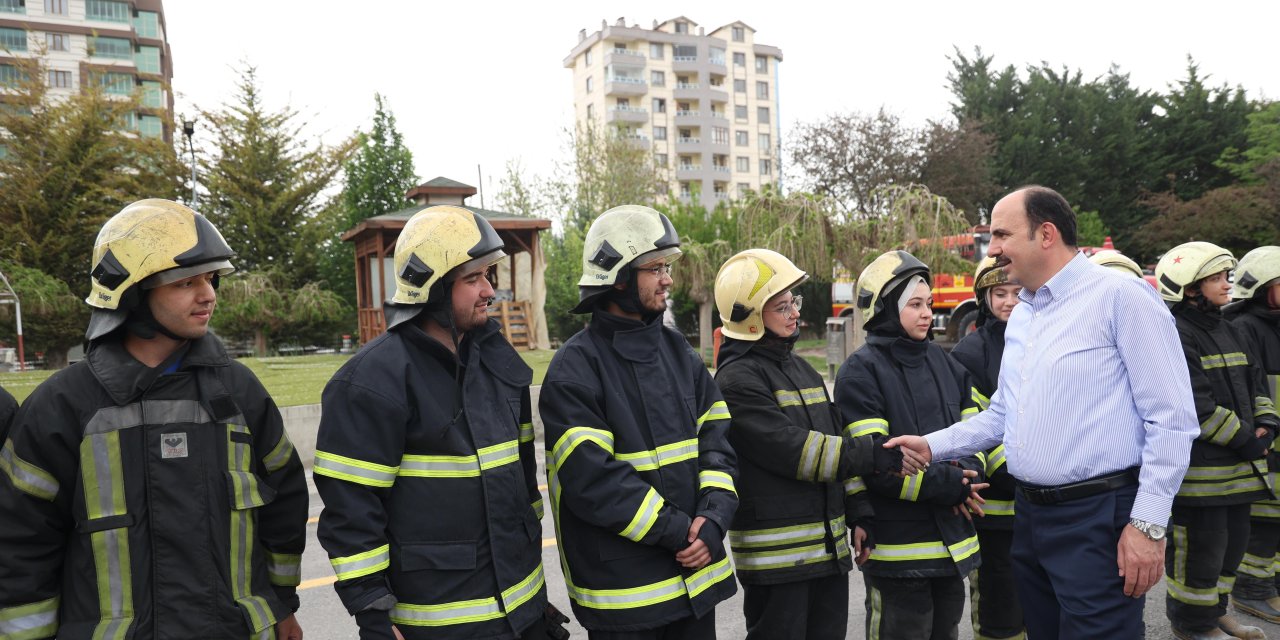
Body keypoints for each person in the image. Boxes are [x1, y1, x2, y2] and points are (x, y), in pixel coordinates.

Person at [887, 185, 1200, 639]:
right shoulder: (1027, 315)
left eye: (1001, 235)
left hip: (1098, 516)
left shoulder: (1122, 297)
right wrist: (932, 446)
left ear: (1046, 234)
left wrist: (1147, 527)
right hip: (1031, 518)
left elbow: (1172, 419)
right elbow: (1003, 414)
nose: (991, 249)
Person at [0, 199, 308, 639]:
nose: (208, 294)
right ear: (130, 293)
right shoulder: (63, 406)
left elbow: (284, 505)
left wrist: (282, 605)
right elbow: (20, 546)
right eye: (185, 282)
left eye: (210, 278)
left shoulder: (238, 392)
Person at [313, 206, 560, 640]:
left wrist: (532, 607)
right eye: (472, 279)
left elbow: (522, 488)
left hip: (521, 615)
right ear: (430, 287)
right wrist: (374, 613)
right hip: (439, 624)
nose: (489, 291)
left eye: (489, 276)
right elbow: (352, 512)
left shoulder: (496, 361)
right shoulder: (371, 381)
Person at [539, 204, 738, 639]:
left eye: (666, 267)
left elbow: (718, 440)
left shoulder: (679, 353)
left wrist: (715, 517)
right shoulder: (575, 368)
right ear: (618, 275)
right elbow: (592, 479)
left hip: (694, 584)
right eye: (655, 268)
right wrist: (682, 531)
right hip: (627, 598)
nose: (668, 278)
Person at [712, 249, 903, 640]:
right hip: (777, 562)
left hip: (826, 554)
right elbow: (798, 452)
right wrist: (875, 456)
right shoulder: (736, 382)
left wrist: (859, 510)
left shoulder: (800, 369)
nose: (796, 313)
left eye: (793, 302)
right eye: (782, 306)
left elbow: (836, 438)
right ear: (750, 318)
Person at [834, 250, 984, 640]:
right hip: (899, 552)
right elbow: (877, 463)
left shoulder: (946, 363)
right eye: (914, 304)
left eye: (929, 304)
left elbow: (978, 429)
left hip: (951, 545)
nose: (926, 313)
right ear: (884, 309)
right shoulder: (860, 372)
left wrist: (969, 477)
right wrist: (949, 486)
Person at [1154, 241, 1279, 640]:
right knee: (1199, 555)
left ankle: (1216, 613)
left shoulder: (1229, 328)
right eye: (1216, 278)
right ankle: (1192, 625)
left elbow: (1257, 383)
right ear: (1189, 288)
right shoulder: (1174, 333)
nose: (1228, 285)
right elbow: (1193, 405)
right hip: (1201, 475)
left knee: (1230, 550)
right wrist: (1247, 439)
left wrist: (1267, 423)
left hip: (1240, 470)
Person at [948, 255, 1025, 640]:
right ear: (984, 298)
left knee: (1040, 597)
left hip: (1045, 502)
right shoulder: (970, 354)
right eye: (1000, 293)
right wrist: (1018, 471)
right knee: (999, 601)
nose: (1010, 301)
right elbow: (975, 424)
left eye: (1018, 291)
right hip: (996, 508)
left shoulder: (1046, 340)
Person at [1227, 246, 1280, 623]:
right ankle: (1252, 590)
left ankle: (1270, 585)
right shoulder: (1246, 328)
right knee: (1265, 520)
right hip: (1268, 447)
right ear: (1262, 288)